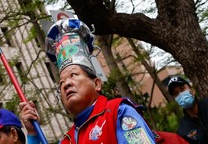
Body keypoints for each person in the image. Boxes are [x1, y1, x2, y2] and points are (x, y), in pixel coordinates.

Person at [19, 18, 156, 144]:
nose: (66, 84)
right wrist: (32, 133)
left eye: (73, 75)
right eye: (61, 83)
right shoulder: (67, 141)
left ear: (97, 83)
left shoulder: (118, 113)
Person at [164, 75, 208, 143]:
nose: (180, 94)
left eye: (182, 89)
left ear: (192, 91)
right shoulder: (183, 130)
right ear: (175, 100)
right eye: (176, 93)